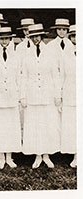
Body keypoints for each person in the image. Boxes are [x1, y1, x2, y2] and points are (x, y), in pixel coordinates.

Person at [20, 24, 61, 169]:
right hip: (32, 96)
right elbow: (23, 77)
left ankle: (46, 155)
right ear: (29, 38)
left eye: (37, 36)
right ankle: (37, 155)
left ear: (42, 36)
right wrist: (23, 96)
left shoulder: (50, 53)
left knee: (47, 125)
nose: (35, 39)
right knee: (34, 125)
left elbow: (55, 75)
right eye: (33, 37)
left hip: (47, 95)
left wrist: (57, 95)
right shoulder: (26, 54)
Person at [0, 27, 22, 169]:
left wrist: (20, 96)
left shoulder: (16, 55)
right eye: (2, 38)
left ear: (10, 39)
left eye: (6, 38)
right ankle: (1, 157)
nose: (4, 41)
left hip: (12, 96)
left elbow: (19, 77)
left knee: (11, 127)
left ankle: (9, 157)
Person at [60, 25, 76, 168]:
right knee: (72, 125)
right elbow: (61, 76)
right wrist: (60, 95)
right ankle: (75, 155)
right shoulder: (66, 54)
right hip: (70, 93)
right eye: (73, 36)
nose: (76, 38)